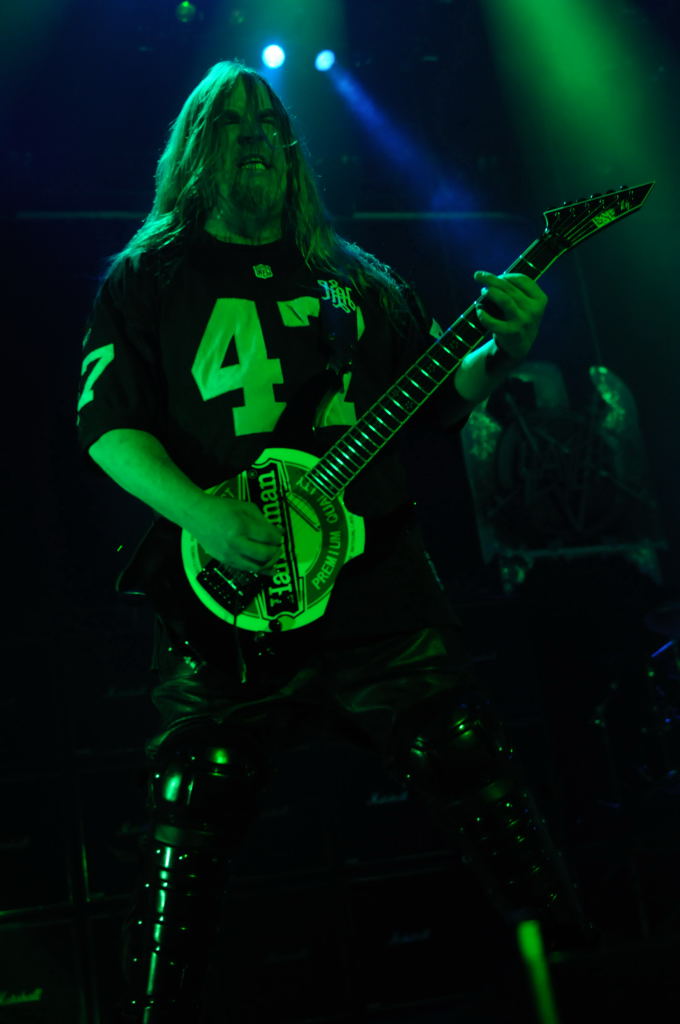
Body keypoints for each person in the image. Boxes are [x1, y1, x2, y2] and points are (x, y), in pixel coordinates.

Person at [77, 60, 587, 1023]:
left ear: (293, 151)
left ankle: (585, 979)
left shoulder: (357, 277)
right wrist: (203, 514)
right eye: (230, 122)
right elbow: (106, 427)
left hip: (374, 591)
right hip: (222, 602)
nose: (255, 135)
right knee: (192, 800)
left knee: (471, 762)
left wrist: (503, 353)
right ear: (194, 150)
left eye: (268, 121)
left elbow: (438, 401)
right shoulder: (149, 279)